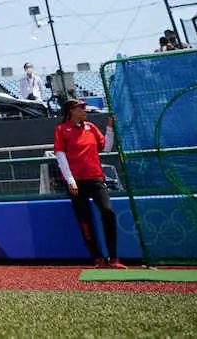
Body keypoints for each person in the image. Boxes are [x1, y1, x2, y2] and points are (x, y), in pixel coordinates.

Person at [53, 99, 126, 269]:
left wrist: (109, 128)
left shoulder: (91, 127)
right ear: (71, 111)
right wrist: (70, 180)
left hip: (96, 178)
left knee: (108, 212)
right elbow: (60, 155)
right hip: (76, 182)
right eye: (81, 108)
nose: (85, 110)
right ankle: (98, 258)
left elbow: (106, 148)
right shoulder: (61, 130)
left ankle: (114, 257)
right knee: (85, 220)